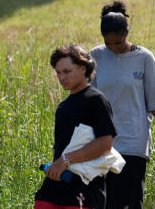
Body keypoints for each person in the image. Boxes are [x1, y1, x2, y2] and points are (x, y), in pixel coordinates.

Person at [90, 1, 155, 209]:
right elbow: (87, 98)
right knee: (104, 202)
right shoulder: (96, 56)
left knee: (131, 201)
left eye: (118, 43)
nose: (114, 49)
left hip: (134, 140)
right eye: (109, 44)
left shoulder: (143, 57)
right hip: (102, 142)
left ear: (127, 33)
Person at [35, 44, 117, 209]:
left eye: (67, 71)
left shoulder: (96, 100)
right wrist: (59, 165)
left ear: (83, 68)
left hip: (85, 188)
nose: (61, 77)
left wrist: (65, 160)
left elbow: (105, 143)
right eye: (58, 72)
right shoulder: (63, 106)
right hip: (56, 184)